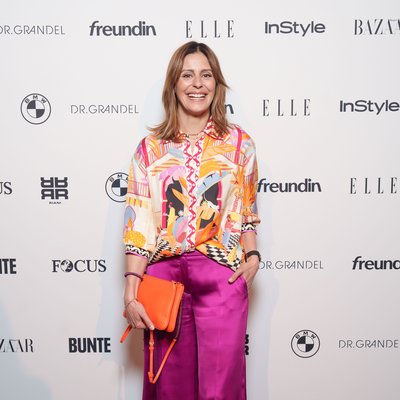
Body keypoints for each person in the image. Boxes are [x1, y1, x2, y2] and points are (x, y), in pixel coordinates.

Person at [123, 41, 261, 400]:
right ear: (174, 83)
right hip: (164, 277)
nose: (197, 84)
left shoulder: (240, 144)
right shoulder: (149, 149)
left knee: (221, 388)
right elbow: (139, 224)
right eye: (187, 75)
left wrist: (252, 256)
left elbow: (247, 212)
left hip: (220, 274)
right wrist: (131, 289)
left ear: (217, 84)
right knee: (170, 388)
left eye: (206, 75)